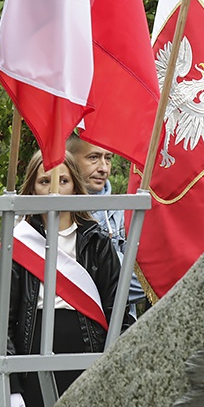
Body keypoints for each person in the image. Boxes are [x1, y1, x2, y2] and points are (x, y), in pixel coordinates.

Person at [7, 150, 134, 407]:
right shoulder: (19, 243)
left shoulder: (97, 241)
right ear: (31, 189)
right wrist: (12, 385)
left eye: (63, 180)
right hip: (35, 353)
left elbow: (119, 311)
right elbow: (6, 320)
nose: (54, 190)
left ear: (75, 186)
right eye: (44, 181)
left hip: (88, 350)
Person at [65, 133, 145, 314]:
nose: (104, 168)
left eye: (108, 159)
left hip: (116, 329)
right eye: (93, 158)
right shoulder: (43, 213)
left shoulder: (124, 212)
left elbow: (143, 281)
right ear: (69, 159)